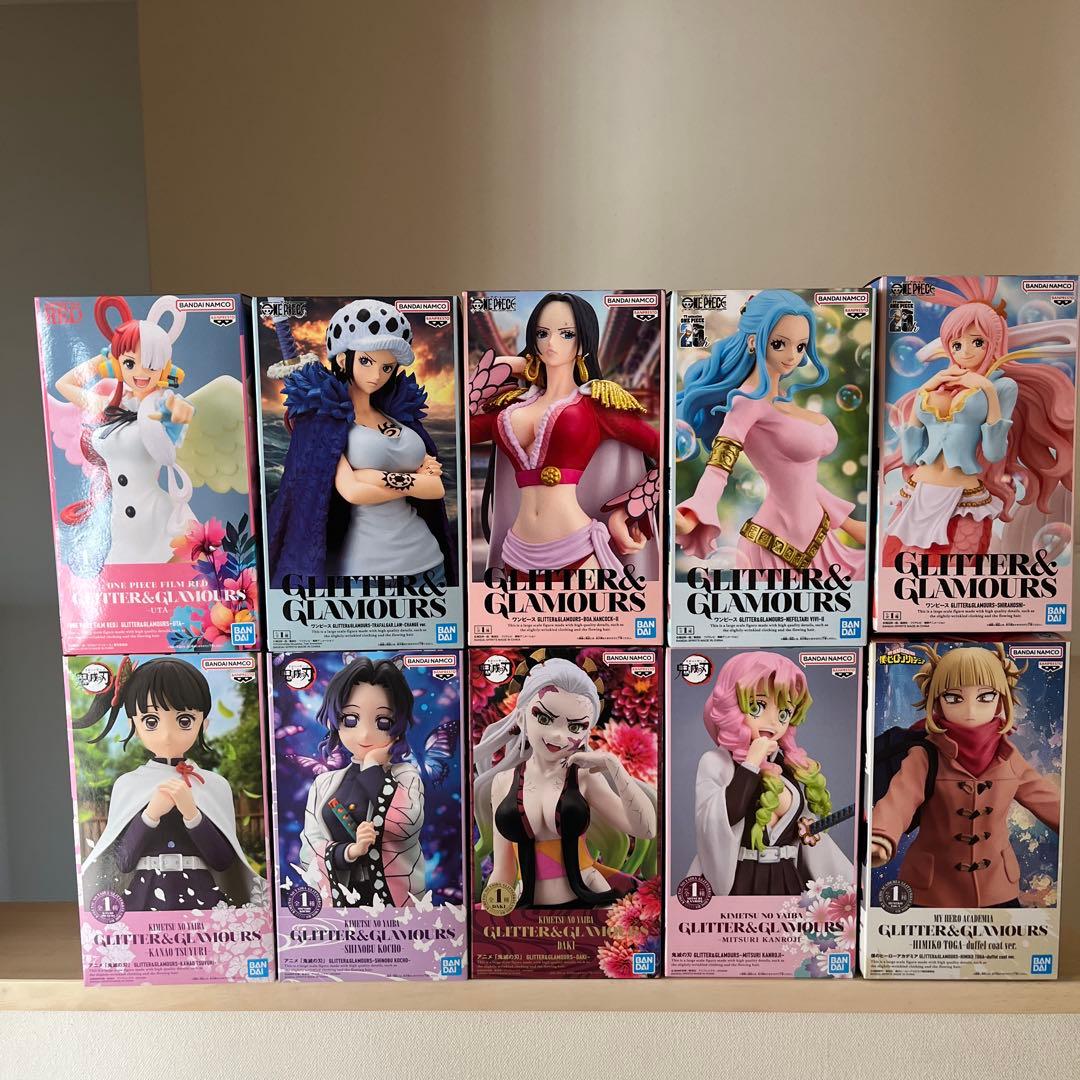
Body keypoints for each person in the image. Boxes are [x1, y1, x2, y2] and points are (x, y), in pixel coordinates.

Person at [674, 290, 865, 577]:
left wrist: (850, 525)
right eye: (779, 344)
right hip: (773, 546)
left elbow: (801, 481)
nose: (792, 356)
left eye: (800, 346)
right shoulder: (746, 401)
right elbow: (719, 465)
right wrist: (695, 512)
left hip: (821, 541)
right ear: (754, 341)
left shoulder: (780, 400)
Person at [468, 292, 659, 574]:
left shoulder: (596, 404)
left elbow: (664, 451)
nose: (551, 343)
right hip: (516, 551)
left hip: (576, 550)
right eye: (542, 333)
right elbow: (460, 429)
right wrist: (513, 365)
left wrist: (632, 507)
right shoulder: (510, 409)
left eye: (567, 334)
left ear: (583, 342)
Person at [74, 657, 260, 911]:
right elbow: (123, 861)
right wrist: (150, 814)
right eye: (151, 721)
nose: (167, 734)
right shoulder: (128, 784)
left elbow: (222, 861)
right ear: (133, 725)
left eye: (184, 720)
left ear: (203, 724)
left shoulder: (214, 784)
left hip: (202, 897)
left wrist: (192, 814)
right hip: (145, 895)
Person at [473, 654, 657, 908]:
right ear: (521, 717)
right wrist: (491, 915)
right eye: (544, 718)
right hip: (527, 908)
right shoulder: (503, 782)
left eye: (575, 727)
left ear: (587, 732)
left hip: (592, 898)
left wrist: (614, 766)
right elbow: (503, 870)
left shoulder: (584, 778)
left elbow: (646, 830)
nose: (558, 736)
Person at [688, 651, 852, 896]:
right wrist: (751, 763)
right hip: (741, 879)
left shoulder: (787, 767)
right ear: (732, 705)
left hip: (787, 878)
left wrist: (807, 831)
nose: (773, 722)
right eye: (758, 706)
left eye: (784, 713)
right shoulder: (716, 763)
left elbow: (808, 835)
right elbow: (718, 820)